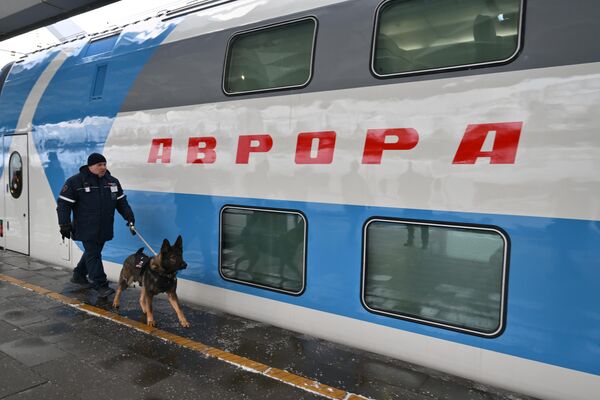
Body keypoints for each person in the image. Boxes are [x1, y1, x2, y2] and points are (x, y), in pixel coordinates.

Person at [56, 153, 135, 297]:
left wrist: (129, 217)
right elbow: (63, 205)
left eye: (104, 164)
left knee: (92, 252)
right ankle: (100, 284)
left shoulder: (112, 182)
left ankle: (79, 275)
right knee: (94, 253)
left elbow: (121, 203)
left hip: (104, 226)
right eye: (99, 165)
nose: (103, 167)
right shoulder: (75, 182)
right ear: (90, 166)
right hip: (85, 227)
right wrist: (64, 224)